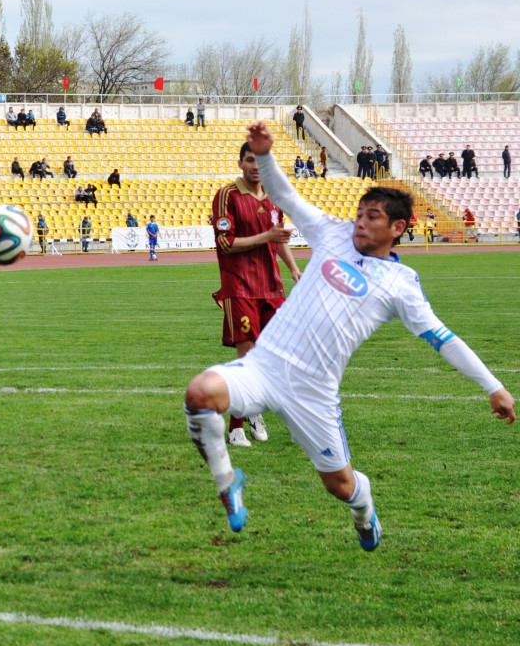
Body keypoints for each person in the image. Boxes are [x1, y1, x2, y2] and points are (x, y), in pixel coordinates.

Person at [183, 121, 514, 552]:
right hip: (263, 367)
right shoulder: (332, 233)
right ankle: (229, 482)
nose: (359, 223)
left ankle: (364, 509)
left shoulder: (401, 282)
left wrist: (493, 386)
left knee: (340, 486)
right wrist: (264, 155)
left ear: (398, 227)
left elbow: (443, 338)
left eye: (372, 217)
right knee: (199, 393)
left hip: (314, 392)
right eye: (359, 214)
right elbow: (286, 196)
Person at [210, 142, 303, 447]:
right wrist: (267, 237)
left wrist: (292, 268)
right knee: (248, 357)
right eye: (250, 160)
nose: (255, 166)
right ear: (240, 164)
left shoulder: (274, 199)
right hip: (240, 287)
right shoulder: (227, 196)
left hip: (271, 287)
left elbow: (279, 241)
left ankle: (248, 413)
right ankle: (238, 426)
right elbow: (225, 243)